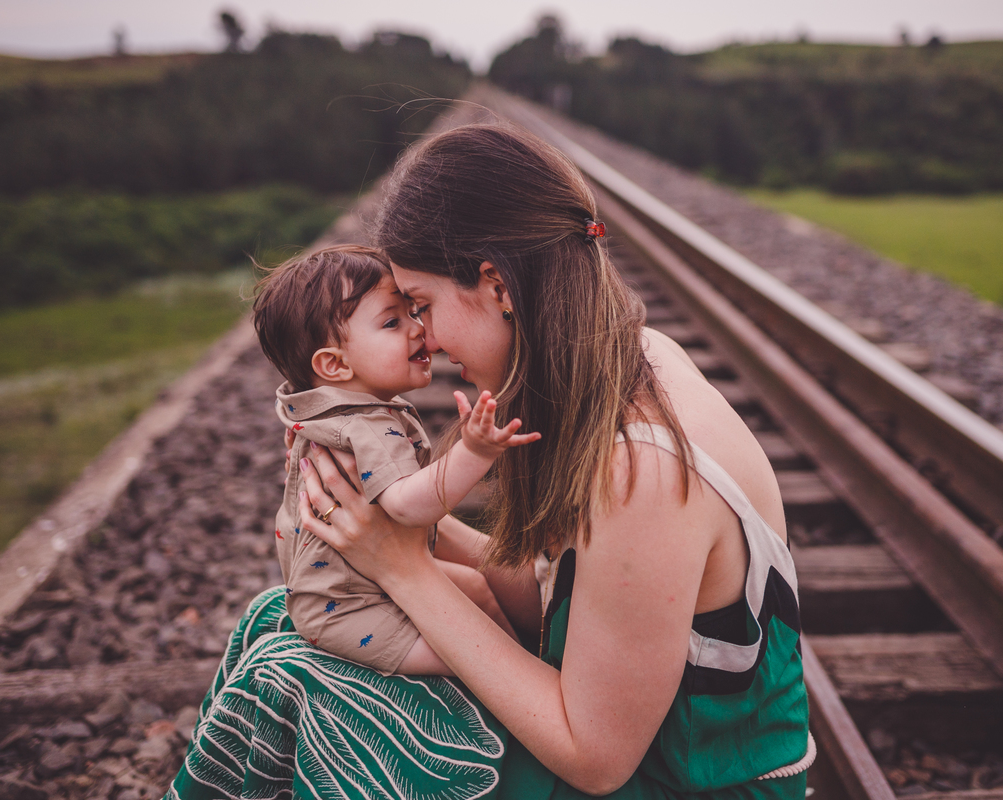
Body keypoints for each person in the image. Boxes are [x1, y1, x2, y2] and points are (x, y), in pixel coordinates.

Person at [167, 122, 811, 799]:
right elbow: (552, 605)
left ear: (497, 283)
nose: (429, 340)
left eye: (421, 305)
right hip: (639, 751)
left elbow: (596, 759)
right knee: (280, 619)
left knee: (308, 684)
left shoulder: (639, 468)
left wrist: (405, 569)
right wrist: (380, 510)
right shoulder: (631, 355)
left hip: (675, 783)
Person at [252, 244, 535, 676]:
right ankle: (520, 692)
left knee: (475, 588)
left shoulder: (334, 413)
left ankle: (528, 665)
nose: (419, 330)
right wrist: (474, 452)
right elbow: (407, 504)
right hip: (350, 610)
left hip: (358, 587)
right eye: (392, 322)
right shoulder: (363, 425)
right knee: (476, 662)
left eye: (414, 311)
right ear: (334, 364)